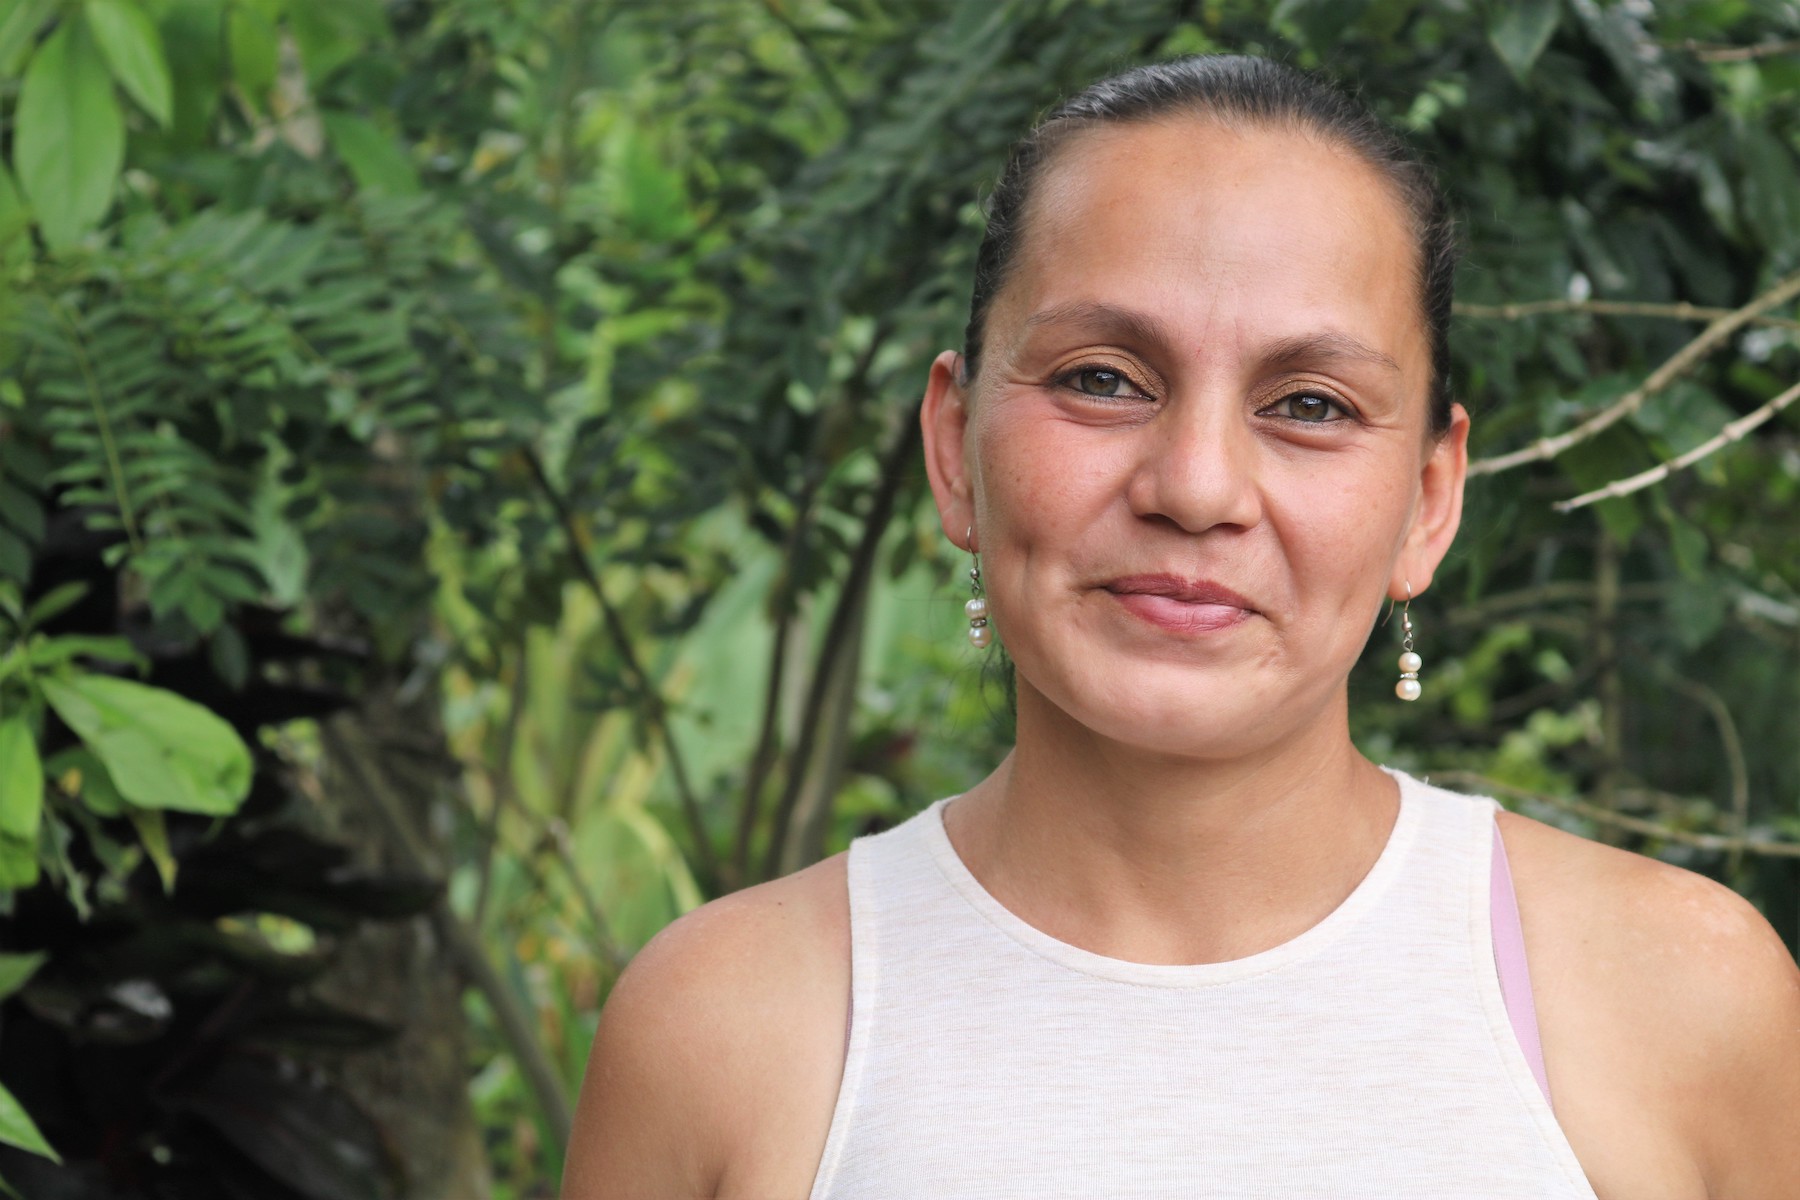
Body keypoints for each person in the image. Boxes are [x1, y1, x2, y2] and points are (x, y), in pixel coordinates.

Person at [561, 55, 1800, 1198]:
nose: (1197, 488)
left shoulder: (1681, 997)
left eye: (1309, 403)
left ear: (1430, 499)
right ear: (954, 448)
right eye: (1104, 379)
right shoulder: (725, 1029)